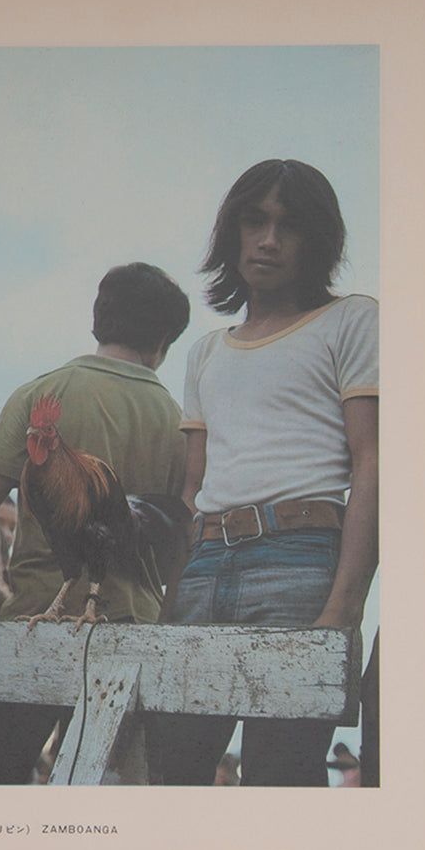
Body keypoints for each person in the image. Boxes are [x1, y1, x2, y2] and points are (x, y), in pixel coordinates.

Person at [151, 159, 379, 787]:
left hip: (300, 562)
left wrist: (344, 606)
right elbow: (191, 490)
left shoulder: (353, 320)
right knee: (173, 773)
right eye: (255, 221)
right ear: (232, 232)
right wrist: (171, 601)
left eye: (290, 225)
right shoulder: (205, 352)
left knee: (280, 778)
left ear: (318, 239)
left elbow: (373, 462)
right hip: (202, 568)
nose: (269, 240)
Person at [0, 261, 190, 784]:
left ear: (98, 319)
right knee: (107, 803)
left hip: (36, 620)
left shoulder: (42, 393)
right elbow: (183, 533)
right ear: (162, 343)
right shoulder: (178, 419)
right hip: (132, 634)